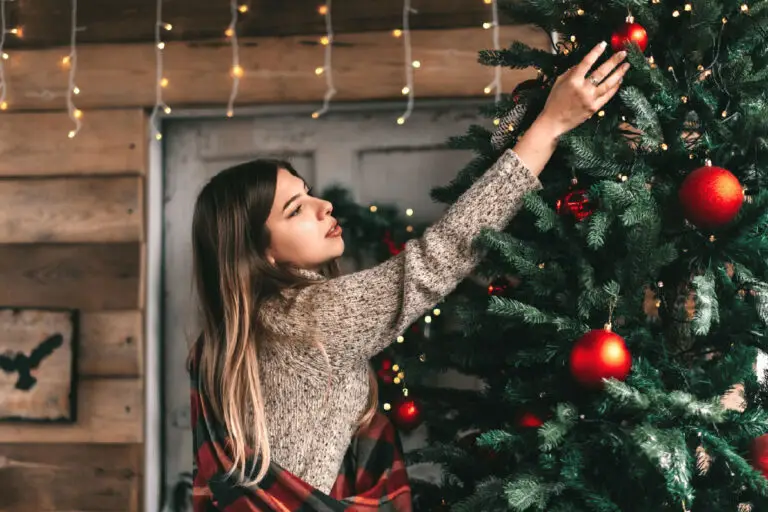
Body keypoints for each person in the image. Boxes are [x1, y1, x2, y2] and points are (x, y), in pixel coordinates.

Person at [188, 41, 630, 501]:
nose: (324, 206)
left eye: (310, 192)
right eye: (297, 209)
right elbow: (437, 258)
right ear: (262, 253)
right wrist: (548, 127)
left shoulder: (233, 336)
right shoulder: (302, 316)